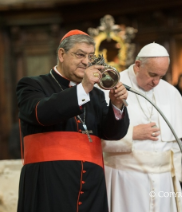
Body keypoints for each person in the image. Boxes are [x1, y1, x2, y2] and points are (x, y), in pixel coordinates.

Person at [16, 29, 129, 212]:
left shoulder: (97, 94)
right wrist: (83, 88)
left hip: (92, 185)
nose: (86, 61)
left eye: (90, 56)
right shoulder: (32, 85)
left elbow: (113, 134)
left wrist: (116, 105)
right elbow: (40, 113)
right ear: (62, 54)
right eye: (80, 55)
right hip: (48, 182)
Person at [101, 42, 182, 212]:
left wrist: (176, 179)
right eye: (153, 75)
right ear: (138, 65)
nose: (157, 82)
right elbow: (95, 138)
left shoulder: (170, 92)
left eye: (161, 76)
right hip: (125, 180)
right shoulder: (110, 85)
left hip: (163, 182)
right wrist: (131, 133)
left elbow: (175, 143)